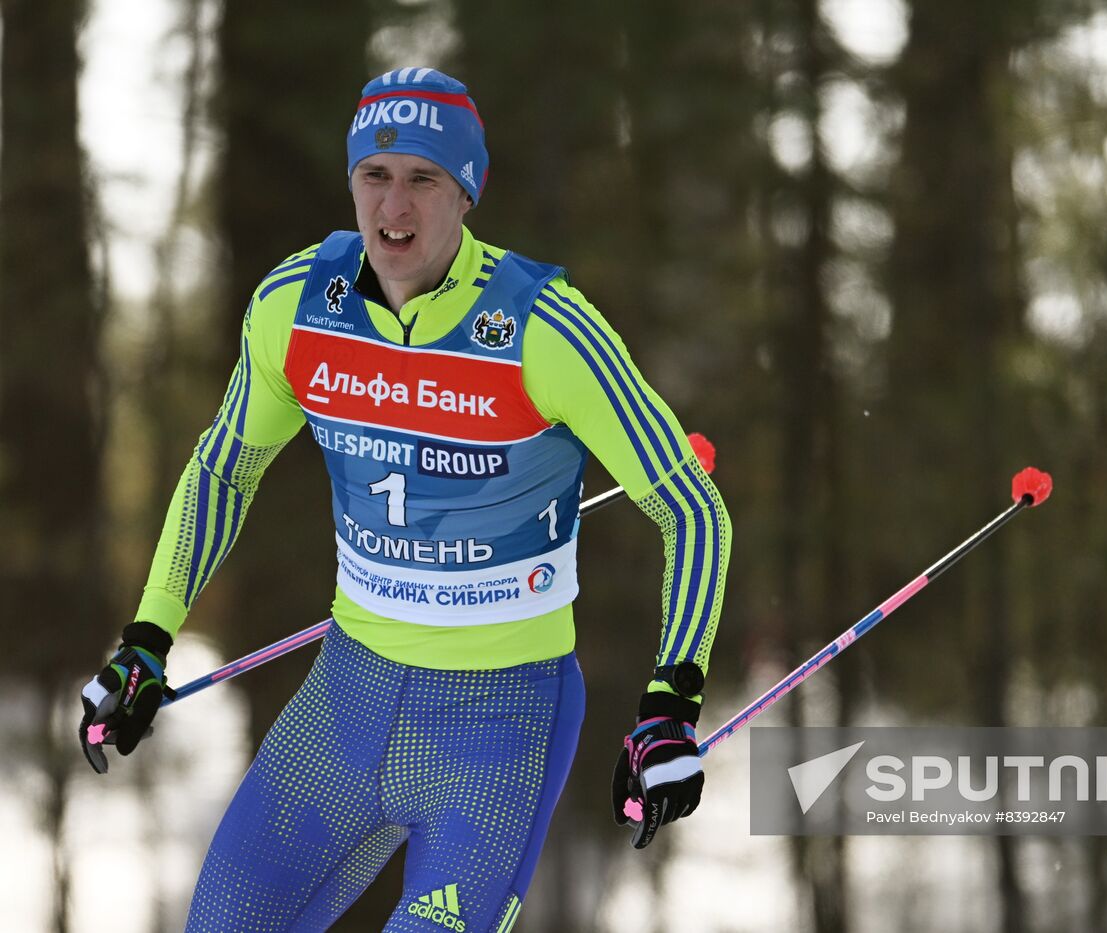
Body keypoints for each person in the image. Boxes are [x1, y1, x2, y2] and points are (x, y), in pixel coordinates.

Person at [78, 67, 730, 932]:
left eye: (424, 178)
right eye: (375, 177)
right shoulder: (300, 306)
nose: (395, 207)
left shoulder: (544, 327)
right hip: (346, 699)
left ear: (467, 192)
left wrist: (670, 706)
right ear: (351, 183)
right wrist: (148, 638)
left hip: (501, 720)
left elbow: (691, 509)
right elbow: (222, 470)